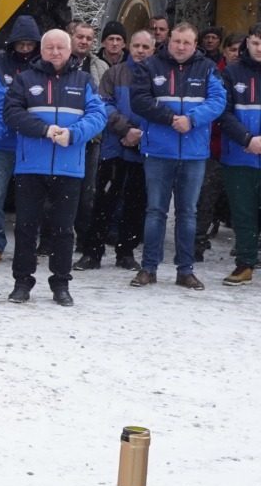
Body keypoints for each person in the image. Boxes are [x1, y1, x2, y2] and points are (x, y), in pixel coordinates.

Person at [2, 28, 106, 305]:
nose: (56, 52)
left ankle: (61, 284)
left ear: (70, 50)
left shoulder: (83, 80)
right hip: (31, 167)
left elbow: (98, 115)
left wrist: (74, 134)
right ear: (42, 50)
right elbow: (12, 114)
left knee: (63, 229)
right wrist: (44, 130)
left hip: (68, 167)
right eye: (50, 48)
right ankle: (22, 282)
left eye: (61, 47)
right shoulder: (25, 80)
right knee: (26, 227)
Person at [130, 22, 226, 289]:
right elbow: (140, 100)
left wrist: (192, 120)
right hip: (159, 150)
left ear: (195, 45)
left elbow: (218, 101)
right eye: (176, 41)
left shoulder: (207, 69)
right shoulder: (150, 66)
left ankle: (185, 269)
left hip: (193, 153)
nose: (181, 47)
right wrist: (172, 118)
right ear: (168, 42)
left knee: (187, 213)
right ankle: (148, 268)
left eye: (186, 42)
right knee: (155, 211)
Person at [82, 29, 152, 270]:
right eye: (137, 46)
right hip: (114, 148)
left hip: (143, 149)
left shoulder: (157, 77)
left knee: (135, 203)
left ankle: (126, 252)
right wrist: (126, 130)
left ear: (152, 49)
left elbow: (160, 109)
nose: (141, 51)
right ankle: (93, 252)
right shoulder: (115, 73)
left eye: (145, 47)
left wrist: (140, 134)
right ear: (128, 47)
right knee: (103, 201)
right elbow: (104, 105)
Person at [0, 14, 42, 262]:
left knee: (30, 201)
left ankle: (28, 245)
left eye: (31, 44)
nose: (26, 48)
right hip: (1, 143)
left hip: (31, 143)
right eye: (22, 43)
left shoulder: (43, 67)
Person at [216, 26, 261, 284]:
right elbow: (223, 113)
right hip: (239, 154)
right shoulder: (231, 73)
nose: (260, 48)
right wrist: (247, 138)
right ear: (248, 43)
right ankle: (245, 263)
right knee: (243, 213)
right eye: (256, 42)